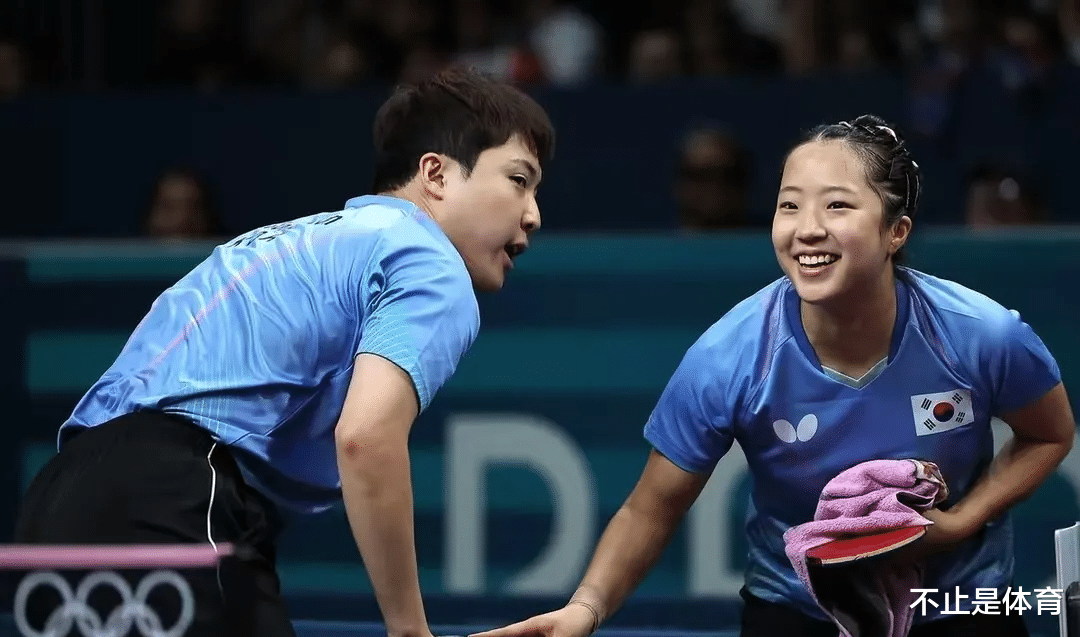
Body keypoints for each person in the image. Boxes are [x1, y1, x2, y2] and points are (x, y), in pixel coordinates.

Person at [471, 114, 1074, 637]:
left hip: (959, 604)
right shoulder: (730, 357)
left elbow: (1049, 434)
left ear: (896, 231)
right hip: (797, 610)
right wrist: (585, 609)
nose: (807, 228)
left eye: (837, 205)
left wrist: (961, 523)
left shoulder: (979, 334)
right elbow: (651, 508)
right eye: (790, 205)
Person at [14, 65, 553, 637]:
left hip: (55, 505)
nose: (534, 214)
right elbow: (365, 437)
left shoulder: (294, 238)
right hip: (174, 498)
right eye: (519, 180)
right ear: (436, 174)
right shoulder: (428, 260)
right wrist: (410, 631)